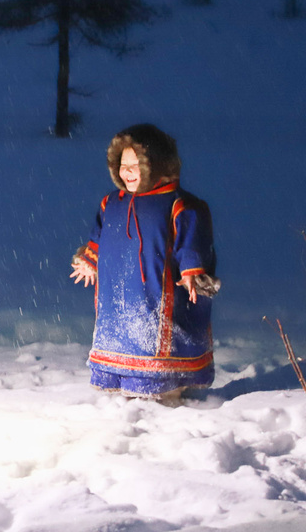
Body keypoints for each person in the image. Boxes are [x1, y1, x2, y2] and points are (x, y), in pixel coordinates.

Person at [70, 124, 219, 402]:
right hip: (117, 292)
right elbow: (99, 236)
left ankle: (166, 390)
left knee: (156, 338)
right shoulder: (111, 203)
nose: (127, 171)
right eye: (122, 165)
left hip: (156, 290)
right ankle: (125, 384)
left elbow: (192, 243)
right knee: (121, 333)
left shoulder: (178, 205)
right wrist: (89, 259)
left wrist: (192, 272)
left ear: (157, 164)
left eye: (135, 164)